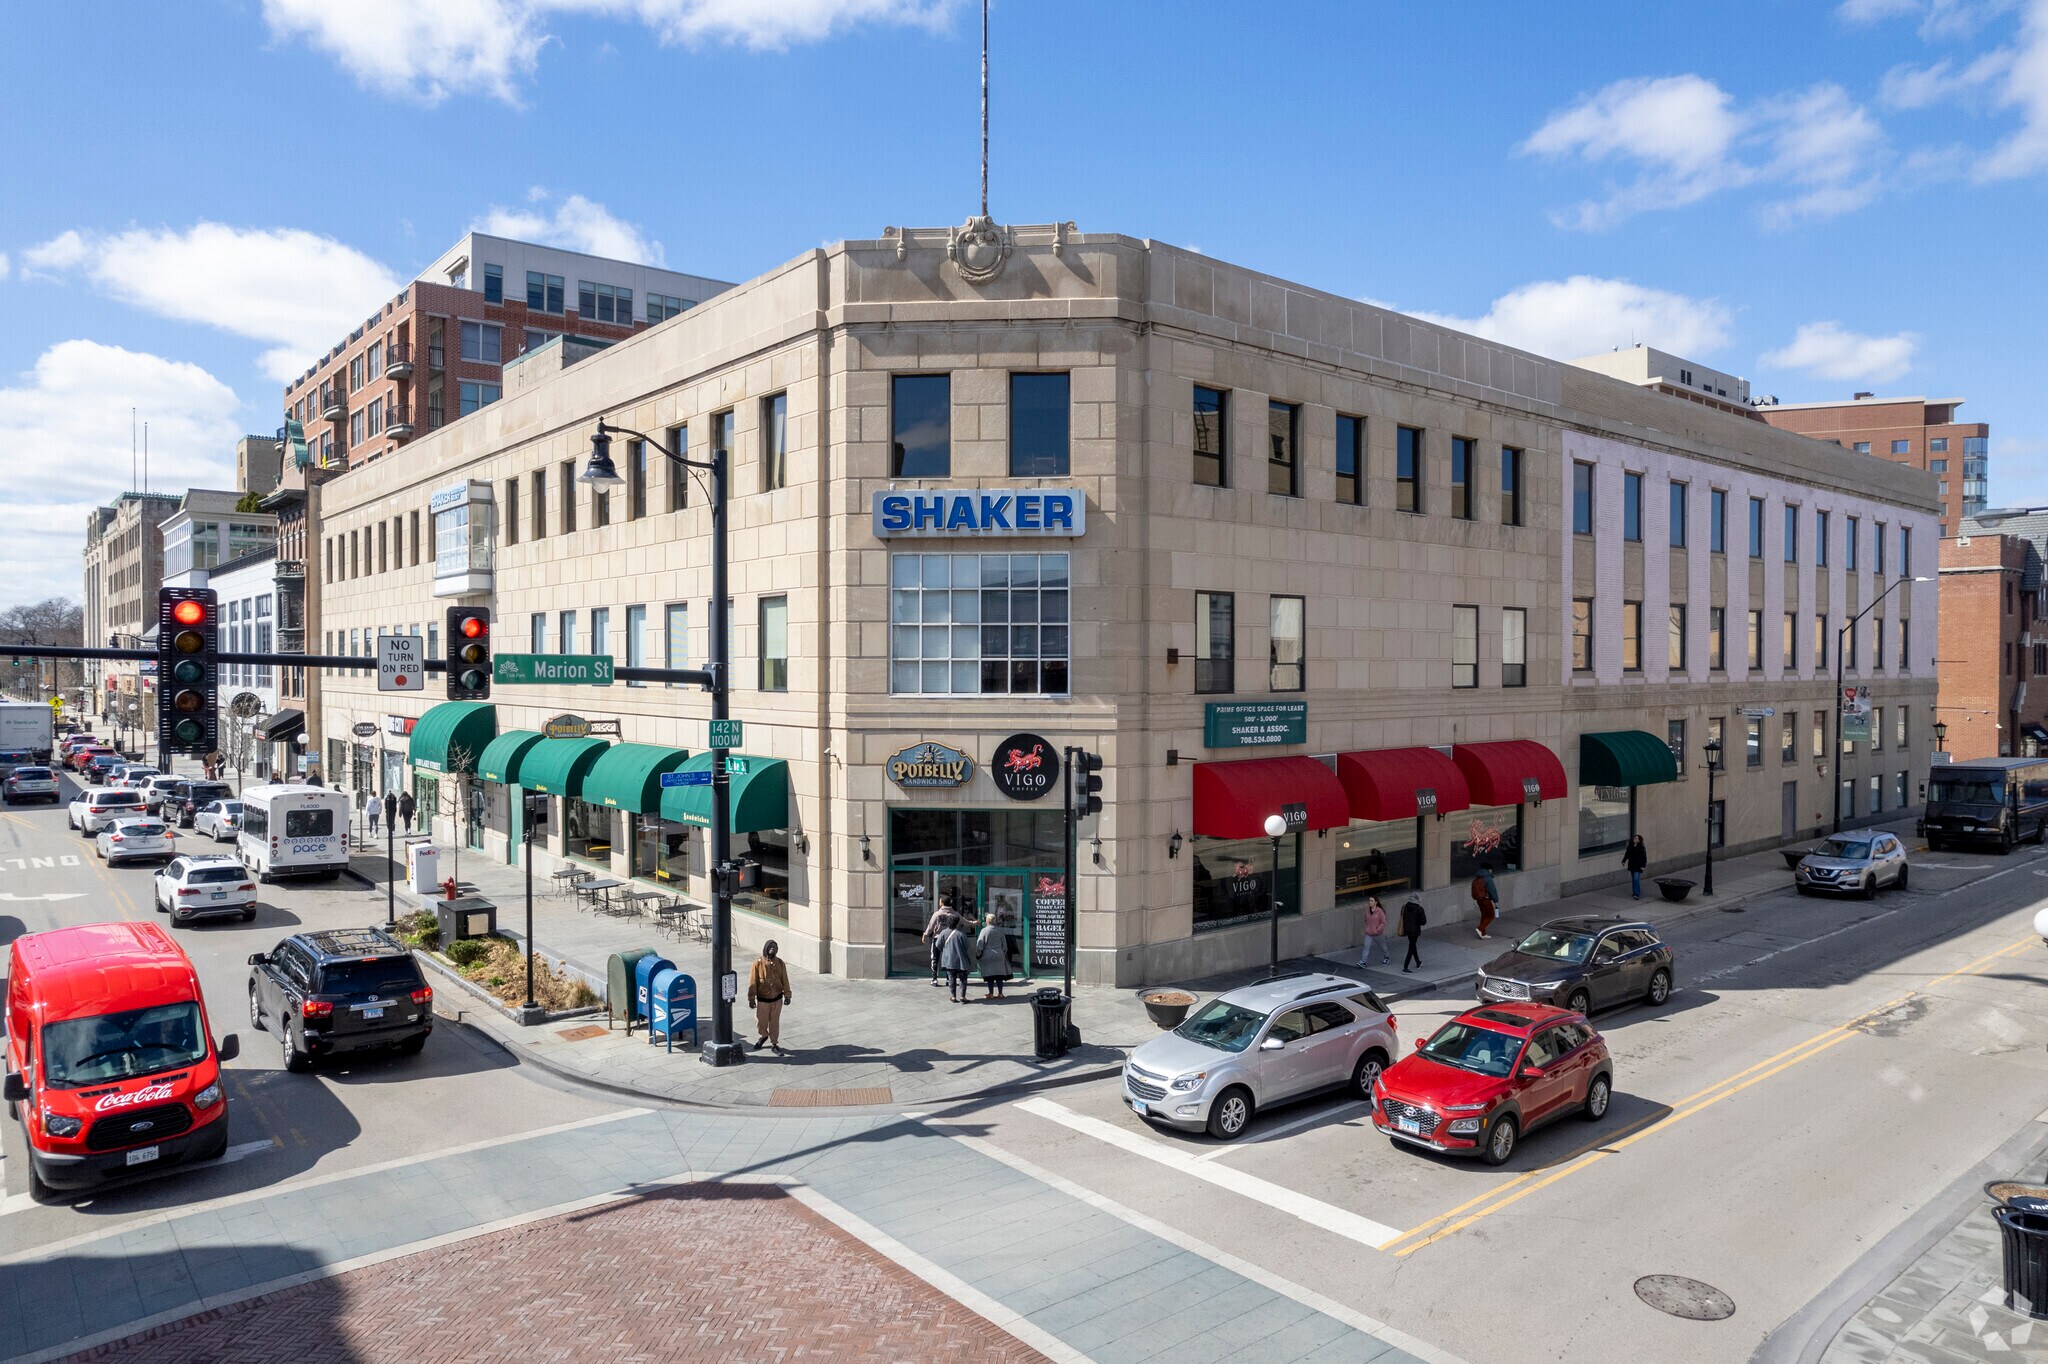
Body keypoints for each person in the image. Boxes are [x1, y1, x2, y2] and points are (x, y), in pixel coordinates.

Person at [746, 940, 792, 1054]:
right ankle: (763, 1035)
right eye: (770, 946)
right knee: (760, 1022)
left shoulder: (780, 963)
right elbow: (753, 982)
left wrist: (787, 995)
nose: (772, 948)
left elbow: (785, 979)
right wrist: (751, 998)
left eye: (775, 947)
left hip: (777, 999)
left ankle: (774, 1043)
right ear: (765, 948)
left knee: (774, 1023)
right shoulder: (757, 963)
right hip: (763, 1000)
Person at [938, 913, 975, 1003]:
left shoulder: (943, 933)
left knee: (951, 978)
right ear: (957, 923)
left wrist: (945, 950)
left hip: (949, 960)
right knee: (963, 978)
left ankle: (953, 996)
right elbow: (967, 946)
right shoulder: (961, 934)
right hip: (961, 960)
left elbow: (938, 944)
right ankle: (962, 996)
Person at [974, 914, 1012, 1000]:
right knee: (999, 976)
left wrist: (978, 954)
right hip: (999, 954)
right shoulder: (1000, 931)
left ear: (987, 921)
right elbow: (1004, 946)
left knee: (990, 976)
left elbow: (980, 945)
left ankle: (991, 993)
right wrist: (1002, 952)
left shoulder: (984, 931)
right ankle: (1000, 993)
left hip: (988, 955)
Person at [922, 895, 958, 987]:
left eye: (939, 901)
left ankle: (934, 979)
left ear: (941, 903)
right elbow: (963, 921)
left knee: (935, 958)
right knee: (949, 958)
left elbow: (931, 926)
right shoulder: (954, 914)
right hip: (949, 938)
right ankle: (949, 979)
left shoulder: (937, 914)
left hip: (937, 938)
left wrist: (925, 934)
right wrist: (973, 923)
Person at [1357, 895, 1389, 967]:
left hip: (1378, 934)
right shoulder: (1367, 910)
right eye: (1369, 900)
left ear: (1376, 902)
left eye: (1371, 901)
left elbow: (1384, 922)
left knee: (1383, 947)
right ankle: (1363, 962)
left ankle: (1387, 957)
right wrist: (1366, 927)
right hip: (1369, 933)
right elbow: (1365, 920)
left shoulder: (1380, 911)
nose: (1370, 902)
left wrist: (1378, 929)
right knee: (1366, 947)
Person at [1398, 897, 1427, 973]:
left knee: (1413, 945)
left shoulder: (1405, 907)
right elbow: (1423, 922)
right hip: (1415, 931)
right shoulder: (1419, 909)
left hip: (1407, 930)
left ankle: (1418, 962)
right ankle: (1405, 968)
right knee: (1411, 948)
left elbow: (1403, 917)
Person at [1469, 868, 1494, 939]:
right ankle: (1480, 928)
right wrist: (1495, 899)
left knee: (1484, 915)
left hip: (1479, 900)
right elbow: (1492, 890)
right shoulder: (1488, 879)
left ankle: (1483, 933)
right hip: (1486, 899)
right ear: (1489, 870)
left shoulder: (1477, 879)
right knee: (1491, 915)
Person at [1622, 834, 1648, 900]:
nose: (1634, 839)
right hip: (1632, 865)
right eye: (1634, 838)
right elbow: (1627, 854)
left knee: (1636, 879)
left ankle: (1637, 894)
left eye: (1636, 838)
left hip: (1638, 866)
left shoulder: (1641, 847)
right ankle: (1634, 892)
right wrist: (1624, 861)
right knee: (1634, 879)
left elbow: (1644, 858)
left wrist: (1643, 866)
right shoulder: (1630, 846)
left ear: (1639, 840)